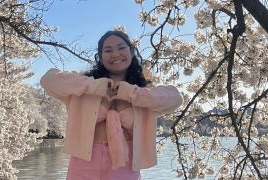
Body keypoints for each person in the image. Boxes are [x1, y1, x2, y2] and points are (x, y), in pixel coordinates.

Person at [40, 30, 183, 180]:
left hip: (125, 168)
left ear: (132, 51)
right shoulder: (82, 86)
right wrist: (94, 86)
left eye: (121, 48)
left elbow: (176, 98)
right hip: (83, 165)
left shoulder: (143, 93)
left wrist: (130, 93)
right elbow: (48, 80)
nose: (115, 54)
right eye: (108, 50)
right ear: (100, 57)